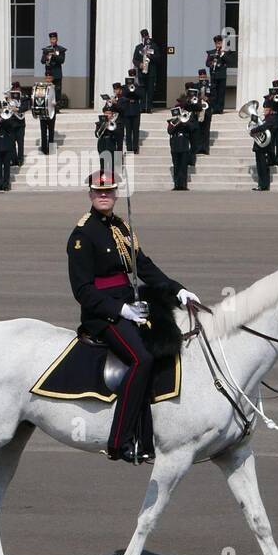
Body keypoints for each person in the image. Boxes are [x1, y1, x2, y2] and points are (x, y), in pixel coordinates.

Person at [67, 170, 198, 463]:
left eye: (109, 191)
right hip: (102, 315)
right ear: (90, 195)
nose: (104, 196)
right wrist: (119, 310)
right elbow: (82, 290)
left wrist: (178, 290)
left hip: (131, 303)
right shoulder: (82, 235)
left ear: (115, 194)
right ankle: (120, 441)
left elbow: (144, 266)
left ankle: (152, 432)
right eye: (99, 192)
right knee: (142, 358)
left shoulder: (122, 228)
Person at [168, 106, 193, 191]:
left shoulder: (186, 121)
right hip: (175, 146)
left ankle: (183, 185)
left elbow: (191, 129)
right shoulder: (172, 121)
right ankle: (177, 185)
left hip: (184, 146)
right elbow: (170, 131)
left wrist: (184, 122)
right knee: (176, 166)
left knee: (183, 167)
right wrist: (177, 122)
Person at [132, 30, 157, 113]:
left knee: (150, 90)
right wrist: (140, 65)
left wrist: (151, 56)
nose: (145, 38)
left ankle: (149, 107)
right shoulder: (139, 47)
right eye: (143, 36)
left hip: (151, 72)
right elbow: (134, 59)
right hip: (142, 72)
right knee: (142, 90)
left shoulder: (153, 46)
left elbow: (158, 58)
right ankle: (142, 107)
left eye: (146, 36)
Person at [253, 108, 277, 192]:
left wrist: (254, 130)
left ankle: (264, 185)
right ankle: (260, 184)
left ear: (270, 111)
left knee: (263, 166)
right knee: (259, 166)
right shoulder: (264, 119)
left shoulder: (271, 119)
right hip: (259, 146)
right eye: (264, 110)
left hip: (265, 147)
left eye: (266, 110)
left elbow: (264, 127)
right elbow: (260, 126)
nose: (264, 111)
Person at [96, 101, 123, 173]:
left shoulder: (116, 123)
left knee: (111, 165)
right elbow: (97, 134)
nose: (107, 115)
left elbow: (119, 134)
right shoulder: (99, 123)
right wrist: (103, 126)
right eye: (106, 113)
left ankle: (112, 181)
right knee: (103, 165)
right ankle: (103, 181)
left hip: (111, 144)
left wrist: (110, 126)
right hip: (102, 144)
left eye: (109, 113)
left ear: (112, 114)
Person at [205, 35, 229, 114]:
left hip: (222, 76)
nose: (218, 45)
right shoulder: (211, 52)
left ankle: (220, 109)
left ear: (221, 43)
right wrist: (212, 64)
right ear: (215, 44)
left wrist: (222, 55)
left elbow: (228, 61)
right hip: (214, 75)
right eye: (217, 43)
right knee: (213, 93)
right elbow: (207, 63)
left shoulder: (225, 52)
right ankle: (214, 109)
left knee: (221, 93)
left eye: (219, 43)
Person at [120, 74, 143, 153]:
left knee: (136, 131)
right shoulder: (124, 87)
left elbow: (141, 95)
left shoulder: (137, 86)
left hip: (136, 112)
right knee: (128, 131)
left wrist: (134, 89)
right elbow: (123, 95)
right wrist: (128, 88)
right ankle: (129, 147)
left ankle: (135, 148)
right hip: (127, 112)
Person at [37, 69, 56, 155]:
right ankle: (44, 149)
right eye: (47, 78)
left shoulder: (55, 87)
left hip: (52, 111)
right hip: (43, 111)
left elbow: (58, 98)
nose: (48, 79)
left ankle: (51, 150)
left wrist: (56, 103)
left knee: (51, 131)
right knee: (43, 131)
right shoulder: (41, 87)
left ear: (52, 78)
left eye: (49, 78)